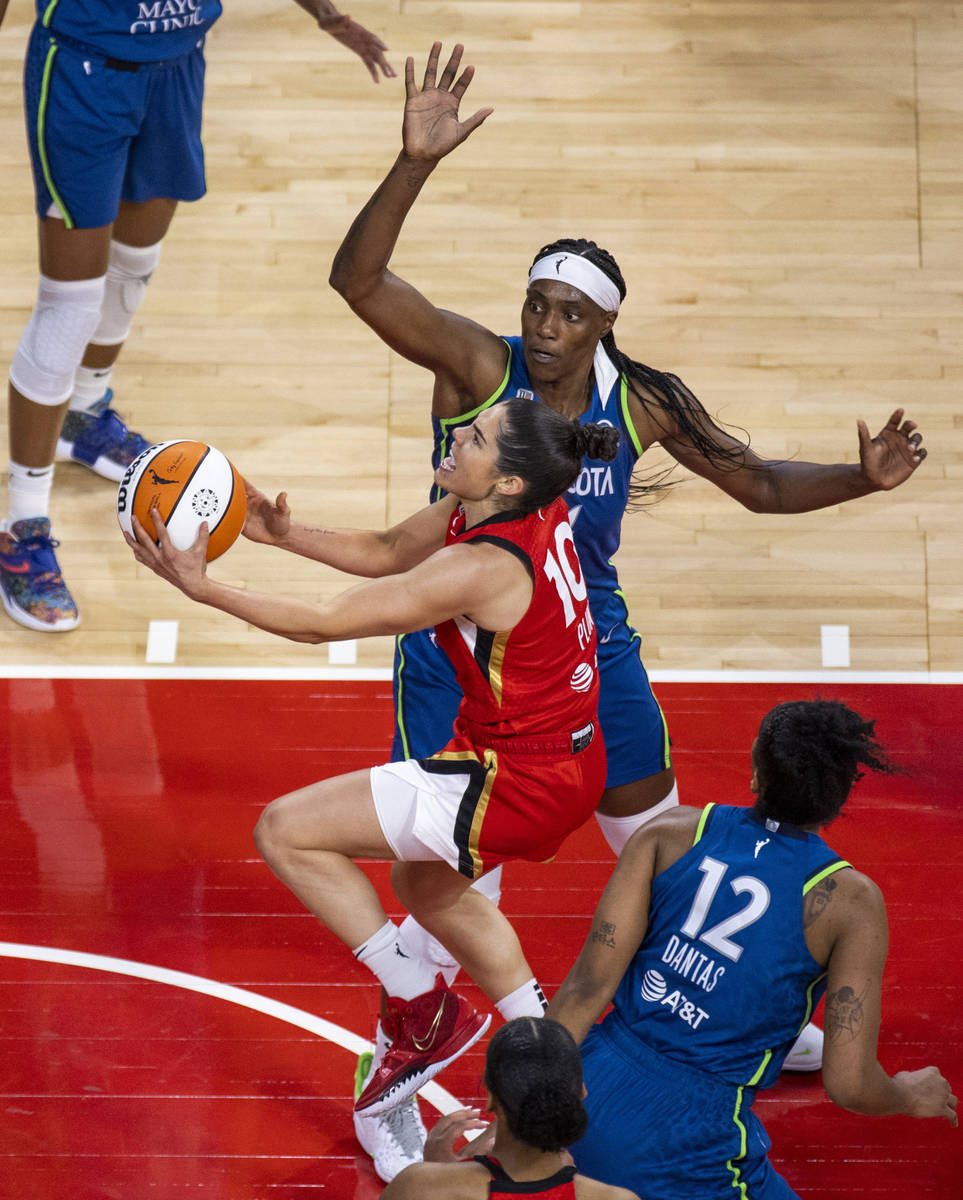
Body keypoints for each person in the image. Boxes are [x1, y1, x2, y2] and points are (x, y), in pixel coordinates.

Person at [328, 40, 928, 1171]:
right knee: (452, 892)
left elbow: (752, 482)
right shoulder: (475, 368)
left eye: (567, 313)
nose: (544, 326)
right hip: (461, 644)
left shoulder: (641, 400)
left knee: (657, 834)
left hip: (582, 634)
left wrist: (858, 478)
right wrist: (411, 165)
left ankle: (730, 1007)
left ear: (602, 327)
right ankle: (391, 1082)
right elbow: (359, 285)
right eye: (536, 305)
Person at [125, 397, 618, 1114]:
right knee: (424, 887)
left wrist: (202, 588)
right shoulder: (514, 503)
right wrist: (280, 536)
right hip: (564, 757)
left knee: (285, 831)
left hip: (517, 778)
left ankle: (423, 1008)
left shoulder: (480, 565)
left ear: (507, 480)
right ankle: (541, 1043)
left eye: (475, 437)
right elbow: (389, 550)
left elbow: (325, 623)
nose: (456, 435)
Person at [0, 0, 393, 633]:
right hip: (85, 71)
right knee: (69, 304)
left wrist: (328, 17)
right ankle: (22, 528)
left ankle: (86, 416)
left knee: (134, 264)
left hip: (178, 68)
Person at [544, 699, 958, 1199]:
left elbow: (585, 988)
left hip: (582, 1090)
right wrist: (908, 1095)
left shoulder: (668, 832)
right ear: (842, 793)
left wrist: (523, 1108)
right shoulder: (851, 903)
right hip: (691, 1136)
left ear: (756, 773)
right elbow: (849, 1084)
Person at [379, 1017, 640, 1200]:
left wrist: (436, 1171)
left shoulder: (420, 1187)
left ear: (492, 1098)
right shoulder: (618, 1198)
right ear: (581, 1092)